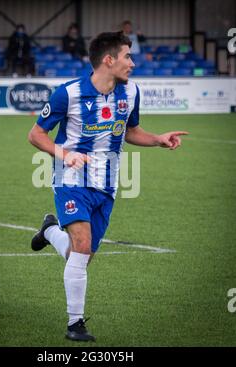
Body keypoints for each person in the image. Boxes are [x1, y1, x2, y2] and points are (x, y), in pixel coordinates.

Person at [28, 31, 188, 342]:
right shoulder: (68, 93)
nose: (133, 63)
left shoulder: (131, 93)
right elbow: (36, 135)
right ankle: (75, 324)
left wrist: (157, 140)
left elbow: (131, 131)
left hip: (108, 184)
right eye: (128, 56)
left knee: (82, 255)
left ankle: (49, 230)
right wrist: (64, 154)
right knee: (83, 246)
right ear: (108, 59)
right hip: (71, 180)